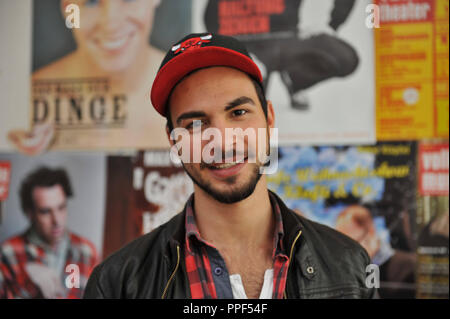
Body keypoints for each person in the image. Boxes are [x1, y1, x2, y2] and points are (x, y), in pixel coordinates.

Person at [84, 33, 375, 299]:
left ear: (269, 119)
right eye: (196, 124)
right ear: (173, 140)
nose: (222, 142)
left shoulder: (349, 265)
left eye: (238, 112)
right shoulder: (116, 285)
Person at [9, 0, 168, 154]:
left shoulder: (180, 90)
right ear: (67, 9)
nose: (110, 23)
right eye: (91, 2)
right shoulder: (23, 99)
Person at [204, 0, 359, 110]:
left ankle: (295, 78)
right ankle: (256, 75)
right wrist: (239, 53)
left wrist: (332, 24)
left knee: (345, 58)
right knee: (249, 112)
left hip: (288, 39)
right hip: (247, 44)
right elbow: (212, 17)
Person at [0, 167, 98, 298]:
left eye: (61, 208)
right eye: (45, 211)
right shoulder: (8, 252)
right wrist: (29, 284)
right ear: (30, 213)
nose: (57, 220)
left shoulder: (87, 251)